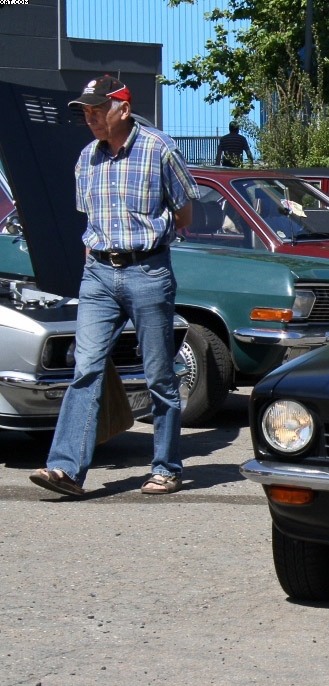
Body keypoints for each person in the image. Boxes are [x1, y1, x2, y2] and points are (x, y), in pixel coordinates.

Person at [30, 75, 200, 497]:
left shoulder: (159, 149)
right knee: (85, 368)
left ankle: (166, 467)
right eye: (85, 112)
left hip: (148, 272)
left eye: (97, 110)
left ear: (123, 108)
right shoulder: (86, 158)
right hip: (98, 276)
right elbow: (89, 219)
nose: (90, 119)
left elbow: (184, 216)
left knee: (159, 374)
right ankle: (65, 469)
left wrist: (149, 243)